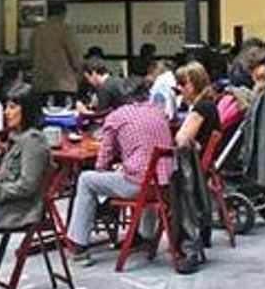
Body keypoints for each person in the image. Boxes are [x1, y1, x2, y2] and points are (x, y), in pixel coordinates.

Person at [66, 80, 174, 266]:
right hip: (165, 184)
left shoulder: (117, 116)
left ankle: (79, 246)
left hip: (139, 186)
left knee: (86, 180)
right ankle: (144, 234)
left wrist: (107, 171)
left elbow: (104, 158)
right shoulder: (158, 112)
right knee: (147, 172)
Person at [0, 87, 52, 231]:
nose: (6, 112)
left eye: (12, 107)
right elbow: (3, 175)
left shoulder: (33, 141)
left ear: (27, 109)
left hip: (17, 213)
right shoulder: (18, 137)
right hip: (5, 205)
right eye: (6, 106)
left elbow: (26, 187)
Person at [29, 1, 82, 109]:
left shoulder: (37, 31)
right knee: (65, 118)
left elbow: (32, 55)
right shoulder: (65, 29)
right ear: (63, 13)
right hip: (64, 85)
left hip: (41, 83)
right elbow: (75, 55)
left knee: (45, 117)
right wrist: (79, 71)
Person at [173, 61, 220, 149]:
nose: (179, 88)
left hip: (195, 161)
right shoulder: (209, 104)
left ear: (195, 83)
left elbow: (182, 140)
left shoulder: (202, 107)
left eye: (183, 83)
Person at [76, 57, 126, 123]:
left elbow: (100, 119)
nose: (89, 82)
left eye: (88, 78)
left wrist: (84, 112)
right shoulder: (118, 80)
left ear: (94, 73)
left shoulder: (104, 88)